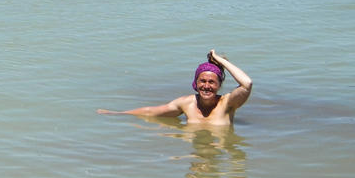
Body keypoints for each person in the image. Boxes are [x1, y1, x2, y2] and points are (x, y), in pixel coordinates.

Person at [97, 50, 252, 126]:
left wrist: (220, 61)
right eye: (202, 81)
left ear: (219, 85)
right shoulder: (186, 104)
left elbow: (247, 83)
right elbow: (150, 112)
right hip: (195, 155)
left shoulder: (227, 104)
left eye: (212, 82)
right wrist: (118, 113)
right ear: (195, 83)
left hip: (218, 156)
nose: (206, 86)